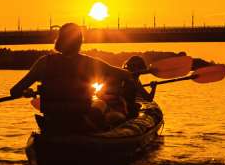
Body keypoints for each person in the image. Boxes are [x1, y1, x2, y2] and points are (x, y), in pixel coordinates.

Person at [10, 23, 138, 133]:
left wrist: (26, 92)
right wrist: (132, 72)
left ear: (59, 40)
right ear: (80, 42)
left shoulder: (43, 62)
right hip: (79, 122)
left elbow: (14, 91)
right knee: (101, 104)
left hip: (52, 122)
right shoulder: (90, 63)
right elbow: (124, 74)